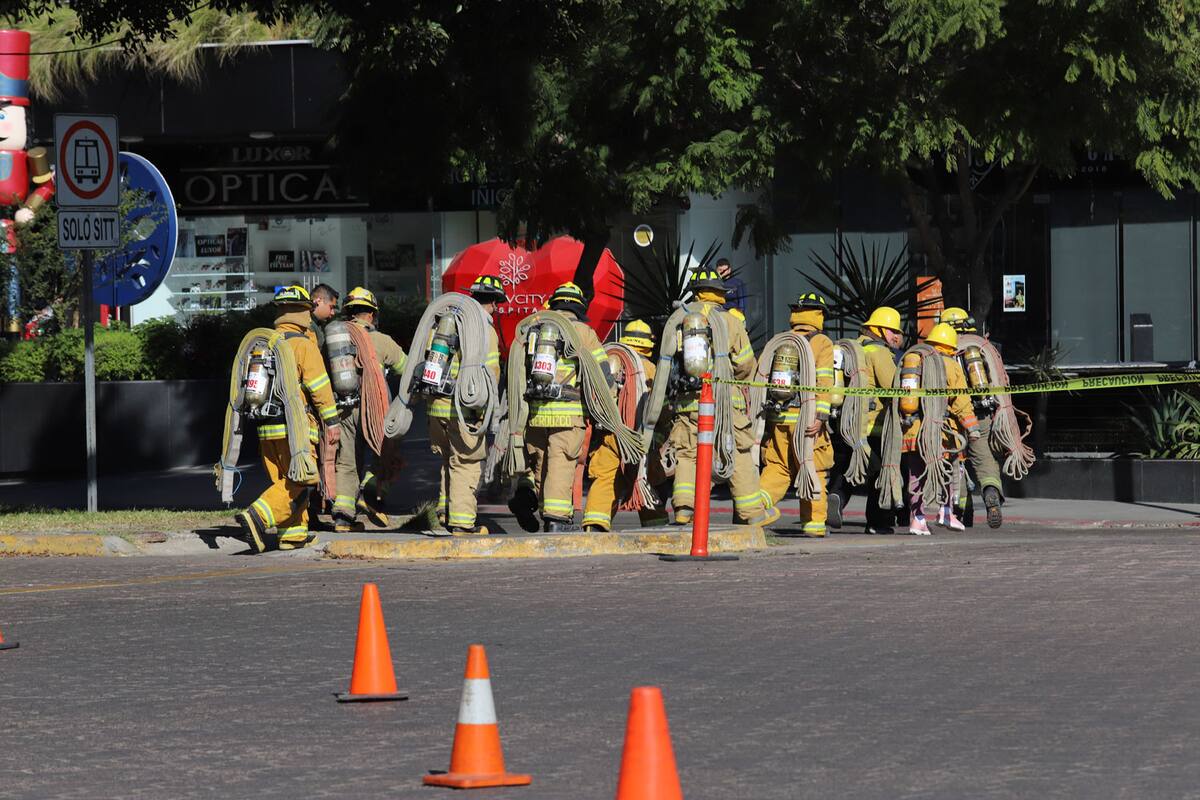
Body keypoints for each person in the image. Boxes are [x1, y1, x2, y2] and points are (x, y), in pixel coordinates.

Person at [665, 270, 777, 527]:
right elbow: (746, 362)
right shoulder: (731, 321)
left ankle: (683, 509)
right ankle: (753, 514)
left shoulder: (679, 318)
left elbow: (668, 362)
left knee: (687, 454)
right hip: (725, 401)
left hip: (688, 400)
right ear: (720, 294)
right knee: (736, 452)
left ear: (696, 291)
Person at [235, 285, 341, 553]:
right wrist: (332, 422)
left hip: (266, 428)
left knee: (285, 481)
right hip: (296, 428)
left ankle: (292, 535)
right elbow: (319, 389)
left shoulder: (265, 343)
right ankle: (258, 515)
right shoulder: (302, 345)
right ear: (305, 311)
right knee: (303, 479)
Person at [510, 281, 609, 532]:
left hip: (536, 412)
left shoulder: (534, 329)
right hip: (568, 412)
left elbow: (518, 372)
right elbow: (603, 374)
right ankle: (557, 519)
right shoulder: (582, 332)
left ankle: (545, 510)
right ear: (578, 308)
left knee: (542, 464)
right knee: (561, 463)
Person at [427, 274, 504, 535]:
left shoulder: (447, 324)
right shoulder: (485, 330)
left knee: (449, 461)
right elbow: (491, 374)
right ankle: (461, 523)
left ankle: (443, 514)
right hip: (465, 409)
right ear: (493, 303)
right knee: (467, 464)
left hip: (437, 406)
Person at [331, 287, 408, 532]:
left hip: (343, 409)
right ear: (371, 315)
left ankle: (343, 516)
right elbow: (405, 368)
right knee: (384, 450)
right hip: (374, 408)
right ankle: (371, 490)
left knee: (346, 461)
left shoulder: (336, 340)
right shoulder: (381, 340)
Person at [758, 292, 835, 537]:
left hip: (778, 417)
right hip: (805, 418)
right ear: (819, 315)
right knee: (813, 466)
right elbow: (824, 380)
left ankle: (754, 509)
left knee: (778, 467)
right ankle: (813, 524)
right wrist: (820, 417)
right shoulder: (821, 342)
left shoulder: (780, 340)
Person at [581, 320, 670, 531]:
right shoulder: (650, 369)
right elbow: (660, 407)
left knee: (605, 478)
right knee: (645, 479)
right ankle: (654, 529)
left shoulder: (608, 360)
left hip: (608, 435)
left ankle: (595, 526)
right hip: (639, 439)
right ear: (648, 345)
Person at [827, 306, 905, 534]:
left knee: (847, 469)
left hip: (843, 424)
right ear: (878, 330)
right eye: (892, 332)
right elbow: (893, 386)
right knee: (881, 473)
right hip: (872, 428)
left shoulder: (850, 348)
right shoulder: (879, 353)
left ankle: (836, 499)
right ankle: (878, 523)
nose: (895, 337)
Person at [902, 323, 978, 534]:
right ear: (950, 347)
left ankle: (917, 520)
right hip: (941, 432)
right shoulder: (951, 365)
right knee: (946, 471)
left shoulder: (915, 359)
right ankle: (946, 512)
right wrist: (972, 428)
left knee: (916, 476)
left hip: (913, 430)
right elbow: (961, 402)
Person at [941, 307, 1006, 527]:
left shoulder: (945, 352)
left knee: (956, 462)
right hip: (982, 414)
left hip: (953, 418)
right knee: (985, 460)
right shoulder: (980, 348)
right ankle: (991, 493)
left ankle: (962, 511)